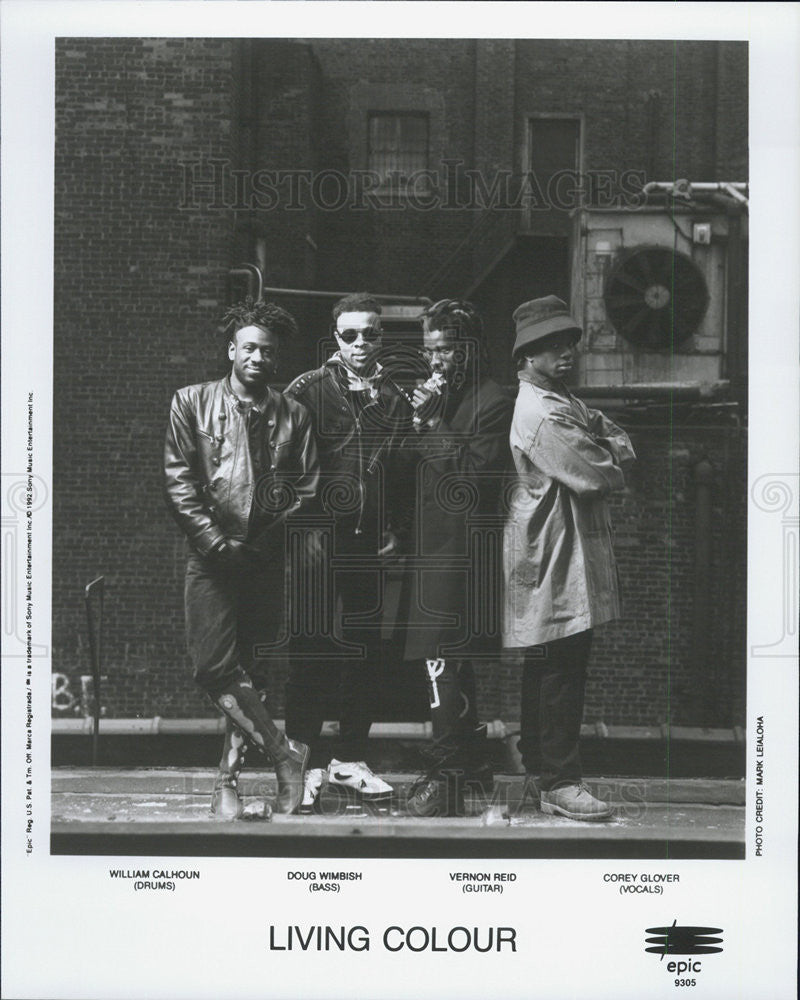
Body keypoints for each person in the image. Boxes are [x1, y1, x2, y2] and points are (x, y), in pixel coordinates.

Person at [164, 298, 319, 818]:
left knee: (250, 670)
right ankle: (282, 755)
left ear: (275, 359)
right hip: (211, 557)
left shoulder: (294, 415)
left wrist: (263, 545)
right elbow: (179, 483)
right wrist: (216, 544)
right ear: (232, 350)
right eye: (248, 347)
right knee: (213, 667)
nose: (257, 356)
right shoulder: (190, 401)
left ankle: (226, 781)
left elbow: (308, 489)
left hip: (263, 559)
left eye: (267, 351)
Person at [503, 295, 635, 821]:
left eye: (568, 344)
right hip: (555, 552)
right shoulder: (544, 409)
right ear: (527, 355)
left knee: (549, 663)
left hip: (560, 549)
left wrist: (608, 443)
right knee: (561, 666)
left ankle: (541, 772)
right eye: (551, 346)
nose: (566, 353)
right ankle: (558, 781)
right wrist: (611, 450)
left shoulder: (561, 399)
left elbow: (609, 437)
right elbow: (599, 470)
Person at [283, 292, 411, 807]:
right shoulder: (307, 390)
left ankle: (349, 760)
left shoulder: (395, 398)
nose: (361, 343)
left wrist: (395, 528)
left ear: (382, 336)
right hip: (316, 538)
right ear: (335, 337)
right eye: (349, 334)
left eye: (371, 333)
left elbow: (400, 471)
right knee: (310, 648)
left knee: (366, 649)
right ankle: (305, 765)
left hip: (368, 541)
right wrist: (301, 529)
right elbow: (282, 467)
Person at [403, 299, 514, 817]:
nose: (435, 362)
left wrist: (430, 425)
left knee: (438, 662)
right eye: (430, 351)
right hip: (431, 551)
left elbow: (472, 480)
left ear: (468, 350)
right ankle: (467, 769)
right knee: (450, 663)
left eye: (444, 350)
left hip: (462, 557)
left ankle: (447, 778)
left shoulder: (494, 401)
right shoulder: (442, 401)